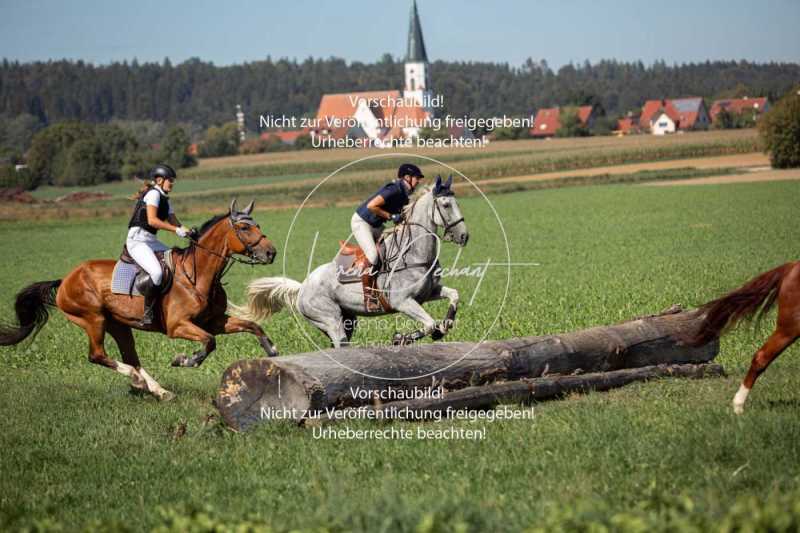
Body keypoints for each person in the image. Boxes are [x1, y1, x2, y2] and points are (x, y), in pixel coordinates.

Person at [351, 163, 425, 311]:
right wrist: (391, 216)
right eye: (417, 178)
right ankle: (368, 298)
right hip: (362, 223)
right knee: (373, 256)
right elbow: (372, 206)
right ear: (407, 177)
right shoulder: (393, 189)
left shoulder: (405, 194)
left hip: (376, 225)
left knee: (394, 246)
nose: (418, 181)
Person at [126, 164, 191, 326]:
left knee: (177, 262)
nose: (172, 183)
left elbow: (175, 221)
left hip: (151, 241)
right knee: (156, 273)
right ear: (160, 180)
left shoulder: (165, 199)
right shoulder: (153, 195)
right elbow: (152, 220)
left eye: (173, 181)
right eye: (170, 180)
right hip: (137, 242)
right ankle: (148, 314)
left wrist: (190, 232)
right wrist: (176, 230)